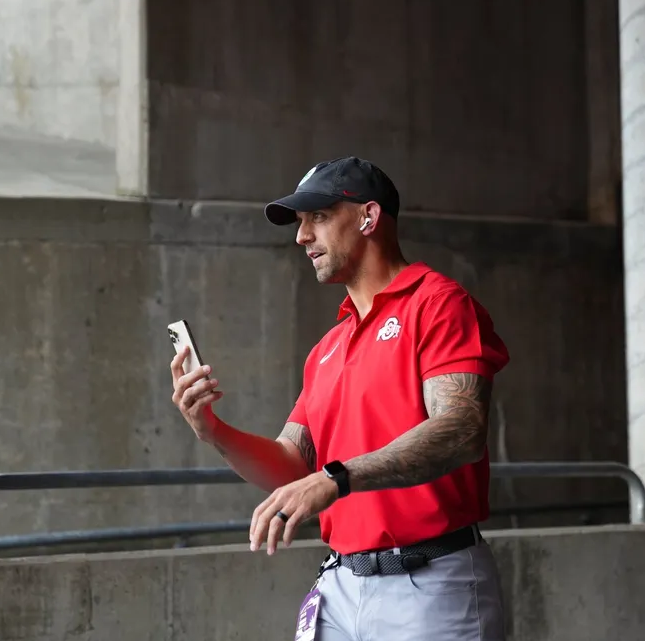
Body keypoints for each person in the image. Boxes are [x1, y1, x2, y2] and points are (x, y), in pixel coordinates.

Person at [169, 156, 510, 641]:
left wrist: (335, 480)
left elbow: (462, 429)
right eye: (301, 223)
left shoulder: (439, 303)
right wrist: (213, 431)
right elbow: (292, 465)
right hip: (339, 585)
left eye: (318, 218)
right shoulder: (328, 348)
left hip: (431, 584)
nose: (301, 237)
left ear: (369, 217)